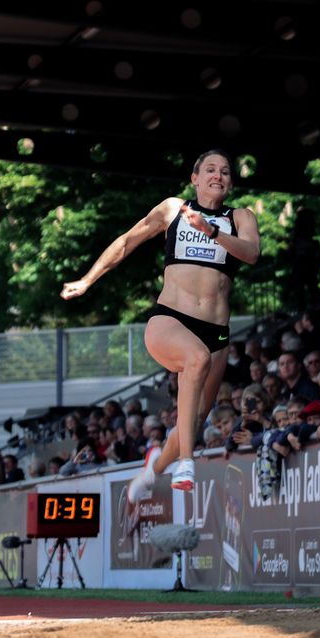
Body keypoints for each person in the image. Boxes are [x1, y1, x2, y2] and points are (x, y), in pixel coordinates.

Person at [62, 149, 260, 496]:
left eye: (225, 172)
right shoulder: (173, 209)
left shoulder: (240, 217)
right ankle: (186, 462)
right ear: (194, 179)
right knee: (195, 359)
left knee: (195, 421)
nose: (218, 175)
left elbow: (251, 253)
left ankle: (153, 469)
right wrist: (87, 280)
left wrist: (211, 231)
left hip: (216, 332)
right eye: (210, 170)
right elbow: (126, 242)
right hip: (170, 320)